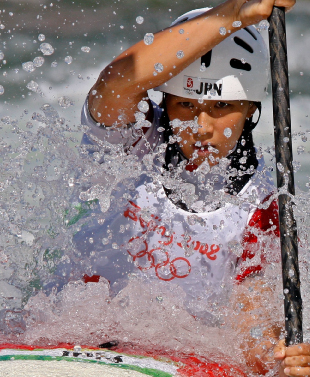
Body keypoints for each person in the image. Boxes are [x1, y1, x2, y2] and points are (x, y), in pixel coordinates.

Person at [75, 0, 310, 375]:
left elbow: (252, 343)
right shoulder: (129, 141)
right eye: (185, 104)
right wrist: (234, 14)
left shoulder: (266, 207)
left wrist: (280, 366)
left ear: (250, 108)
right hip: (70, 338)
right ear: (163, 101)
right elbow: (120, 78)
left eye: (220, 107)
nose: (201, 126)